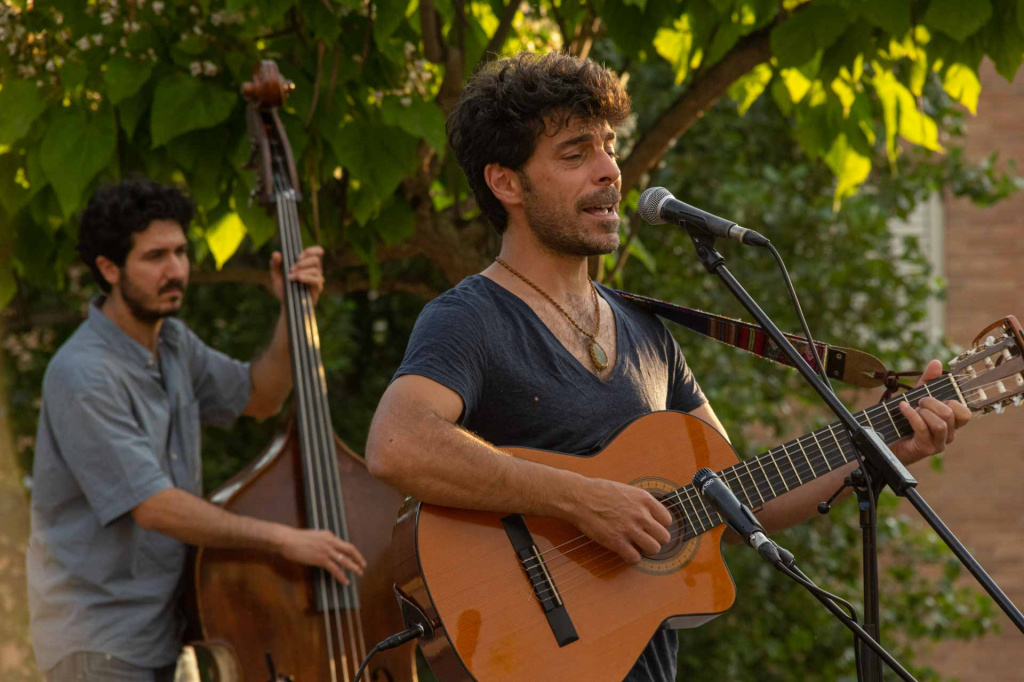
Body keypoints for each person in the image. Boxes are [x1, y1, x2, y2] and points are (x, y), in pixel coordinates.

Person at [364, 52, 972, 681]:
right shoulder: (472, 317)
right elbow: (397, 442)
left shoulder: (647, 333)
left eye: (609, 148)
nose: (609, 172)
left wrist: (881, 441)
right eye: (575, 155)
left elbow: (742, 504)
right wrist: (584, 500)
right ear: (507, 183)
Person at [27, 178, 367, 682]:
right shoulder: (84, 373)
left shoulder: (175, 345)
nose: (176, 270)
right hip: (99, 646)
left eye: (182, 252)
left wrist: (295, 310)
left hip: (173, 633)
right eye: (156, 256)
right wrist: (283, 539)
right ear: (108, 268)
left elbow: (262, 395)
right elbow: (155, 505)